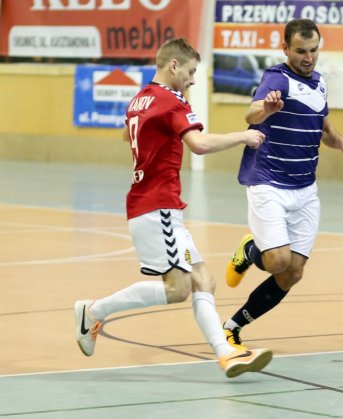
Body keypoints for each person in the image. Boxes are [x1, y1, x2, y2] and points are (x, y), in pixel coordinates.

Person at [74, 38, 272, 379]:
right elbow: (199, 144)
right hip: (157, 206)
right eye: (191, 72)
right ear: (173, 65)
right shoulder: (171, 100)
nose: (193, 80)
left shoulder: (140, 98)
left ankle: (227, 355)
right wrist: (243, 136)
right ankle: (93, 311)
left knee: (204, 281)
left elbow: (127, 136)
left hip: (156, 206)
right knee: (177, 289)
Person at [222, 19, 343, 347]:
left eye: (314, 50)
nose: (308, 58)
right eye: (301, 51)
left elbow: (324, 128)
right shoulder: (277, 78)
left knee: (292, 272)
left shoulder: (320, 83)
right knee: (277, 261)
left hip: (305, 189)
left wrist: (342, 143)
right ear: (285, 48)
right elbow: (251, 114)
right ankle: (251, 249)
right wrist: (267, 109)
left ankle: (231, 327)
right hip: (269, 182)